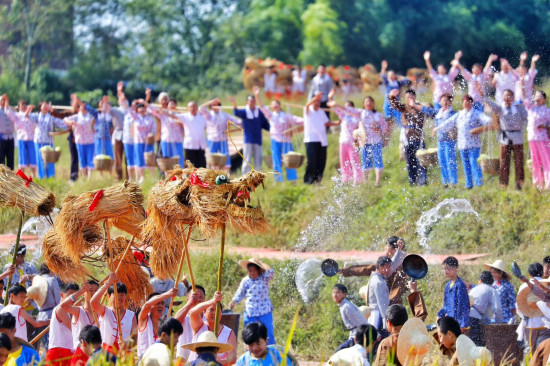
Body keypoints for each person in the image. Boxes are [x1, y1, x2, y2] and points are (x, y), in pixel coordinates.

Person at [432, 95, 491, 189]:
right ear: (462, 104)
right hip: (463, 144)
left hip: (474, 144)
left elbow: (486, 120)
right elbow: (449, 122)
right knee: (466, 165)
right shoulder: (459, 114)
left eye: (469, 102)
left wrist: (492, 122)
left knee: (474, 163)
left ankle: (478, 183)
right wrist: (438, 128)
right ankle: (469, 184)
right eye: (465, 102)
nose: (467, 104)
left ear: (471, 103)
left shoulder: (476, 113)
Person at [340, 237, 407, 306]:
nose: (385, 250)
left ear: (390, 247)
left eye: (386, 247)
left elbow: (367, 269)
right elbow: (366, 269)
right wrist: (346, 271)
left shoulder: (399, 267)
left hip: (389, 306)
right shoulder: (389, 263)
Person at [255, 87, 303, 183]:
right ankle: (278, 180)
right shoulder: (271, 115)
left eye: (276, 106)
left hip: (286, 140)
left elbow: (301, 121)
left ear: (280, 106)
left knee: (290, 161)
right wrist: (257, 95)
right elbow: (262, 107)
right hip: (275, 140)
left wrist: (292, 131)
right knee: (276, 161)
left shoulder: (286, 116)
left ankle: (293, 180)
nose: (274, 108)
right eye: (273, 106)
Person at [484, 89, 528, 190]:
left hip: (517, 137)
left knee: (518, 162)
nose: (506, 99)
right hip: (505, 138)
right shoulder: (500, 108)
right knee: (504, 162)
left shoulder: (519, 108)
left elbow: (527, 117)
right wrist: (483, 94)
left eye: (509, 96)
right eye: (505, 96)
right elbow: (491, 104)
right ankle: (504, 184)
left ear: (512, 98)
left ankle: (519, 184)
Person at [229, 259, 275, 345]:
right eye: (250, 271)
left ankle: (271, 354)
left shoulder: (264, 278)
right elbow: (240, 292)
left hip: (265, 312)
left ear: (258, 270)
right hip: (251, 313)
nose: (252, 273)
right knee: (250, 335)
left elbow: (271, 271)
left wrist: (261, 263)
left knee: (268, 335)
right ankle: (250, 355)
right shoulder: (245, 281)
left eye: (254, 271)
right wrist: (234, 301)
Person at [90, 273, 137, 355]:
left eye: (122, 295)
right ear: (109, 296)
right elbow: (93, 302)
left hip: (124, 354)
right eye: (115, 295)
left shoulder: (131, 315)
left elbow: (135, 338)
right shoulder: (105, 311)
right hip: (106, 353)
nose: (119, 298)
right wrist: (108, 283)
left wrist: (127, 344)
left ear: (125, 296)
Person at [388, 88, 427, 186]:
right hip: (407, 139)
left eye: (411, 96)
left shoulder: (420, 107)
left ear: (415, 97)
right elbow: (396, 105)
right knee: (410, 162)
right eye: (407, 97)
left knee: (421, 161)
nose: (409, 98)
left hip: (419, 139)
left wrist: (414, 105)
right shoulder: (404, 107)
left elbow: (428, 109)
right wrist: (391, 97)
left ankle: (423, 181)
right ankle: (413, 182)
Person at [419, 94, 458, 186]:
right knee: (442, 161)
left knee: (450, 161)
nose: (444, 102)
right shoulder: (438, 112)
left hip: (450, 140)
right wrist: (414, 105)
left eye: (447, 100)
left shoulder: (453, 113)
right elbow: (427, 110)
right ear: (440, 102)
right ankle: (445, 182)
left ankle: (453, 182)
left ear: (450, 102)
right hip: (440, 140)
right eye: (443, 100)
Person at [188, 292, 237, 365]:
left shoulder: (228, 332)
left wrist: (214, 363)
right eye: (211, 309)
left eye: (217, 310)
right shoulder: (199, 326)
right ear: (204, 313)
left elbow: (232, 358)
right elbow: (192, 313)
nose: (214, 313)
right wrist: (212, 301)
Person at [229, 95, 270, 173]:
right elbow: (236, 112)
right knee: (247, 158)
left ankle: (259, 175)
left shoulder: (259, 112)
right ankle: (245, 175)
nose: (252, 103)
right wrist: (234, 103)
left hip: (258, 139)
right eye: (251, 101)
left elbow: (265, 123)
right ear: (247, 102)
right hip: (248, 139)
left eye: (254, 101)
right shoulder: (245, 112)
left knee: (258, 159)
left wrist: (273, 129)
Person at [45, 283, 81, 366]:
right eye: (71, 294)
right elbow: (74, 328)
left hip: (67, 350)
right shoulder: (59, 309)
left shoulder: (68, 311)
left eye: (75, 296)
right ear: (62, 294)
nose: (73, 299)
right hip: (59, 351)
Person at [199, 98, 241, 171]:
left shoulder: (225, 115)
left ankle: (226, 175)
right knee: (212, 159)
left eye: (217, 104)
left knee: (225, 158)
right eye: (213, 105)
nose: (215, 106)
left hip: (223, 140)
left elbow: (238, 122)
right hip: (212, 140)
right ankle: (211, 174)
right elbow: (201, 108)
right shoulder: (209, 115)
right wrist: (211, 101)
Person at [1, 95, 36, 175]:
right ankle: (21, 176)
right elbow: (8, 111)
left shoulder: (31, 116)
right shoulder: (17, 115)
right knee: (22, 159)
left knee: (32, 158)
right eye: (22, 106)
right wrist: (6, 101)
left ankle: (34, 175)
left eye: (25, 105)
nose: (24, 107)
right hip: (22, 139)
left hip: (31, 139)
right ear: (19, 107)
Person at [137, 289, 178, 357]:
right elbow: (147, 305)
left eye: (162, 303)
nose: (160, 306)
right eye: (157, 303)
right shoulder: (143, 319)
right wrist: (167, 294)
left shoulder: (166, 324)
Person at [60, 280, 99, 350]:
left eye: (96, 290)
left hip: (97, 355)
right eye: (90, 290)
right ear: (84, 294)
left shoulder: (101, 312)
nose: (93, 293)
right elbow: (63, 306)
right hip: (81, 353)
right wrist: (81, 291)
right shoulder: (78, 311)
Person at [32, 102, 67, 178]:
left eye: (46, 106)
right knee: (40, 160)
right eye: (43, 106)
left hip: (49, 141)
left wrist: (69, 124)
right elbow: (27, 117)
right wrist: (28, 110)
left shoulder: (51, 118)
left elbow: (61, 123)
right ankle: (41, 177)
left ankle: (51, 177)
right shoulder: (37, 116)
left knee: (50, 160)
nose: (45, 107)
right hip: (39, 141)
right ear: (40, 107)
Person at [522, 90, 550, 190]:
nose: (537, 98)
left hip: (543, 139)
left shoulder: (547, 111)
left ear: (544, 100)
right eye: (536, 96)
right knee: (536, 162)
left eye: (539, 97)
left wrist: (545, 125)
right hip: (532, 138)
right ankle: (538, 183)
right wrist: (521, 80)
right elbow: (524, 97)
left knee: (547, 161)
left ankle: (548, 183)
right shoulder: (531, 109)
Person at [468, 271, 502, 346]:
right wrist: (499, 325)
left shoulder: (474, 289)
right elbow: (497, 309)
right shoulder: (492, 290)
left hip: (465, 317)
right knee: (477, 345)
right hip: (473, 319)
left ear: (480, 280)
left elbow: (481, 313)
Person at [303, 92, 330, 184]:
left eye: (318, 101)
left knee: (321, 162)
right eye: (315, 100)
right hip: (311, 140)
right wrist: (316, 97)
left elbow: (327, 123)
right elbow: (307, 105)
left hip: (322, 140)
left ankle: (317, 180)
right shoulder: (308, 110)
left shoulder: (321, 112)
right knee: (312, 161)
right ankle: (308, 180)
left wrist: (338, 122)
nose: (317, 102)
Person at [331, 284, 368, 351]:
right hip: (354, 335)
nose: (335, 295)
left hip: (358, 336)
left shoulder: (347, 306)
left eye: (338, 292)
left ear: (344, 294)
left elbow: (361, 322)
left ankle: (330, 362)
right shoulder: (342, 305)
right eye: (334, 292)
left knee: (339, 350)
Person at [438, 256, 470, 332]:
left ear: (455, 268)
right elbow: (446, 305)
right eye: (444, 269)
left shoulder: (460, 285)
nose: (445, 271)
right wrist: (440, 315)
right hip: (449, 321)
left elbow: (463, 306)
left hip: (457, 323)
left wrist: (462, 325)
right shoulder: (447, 286)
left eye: (448, 268)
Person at [33, 264, 62, 349]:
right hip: (52, 314)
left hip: (41, 316)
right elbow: (58, 299)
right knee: (52, 343)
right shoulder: (52, 280)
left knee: (45, 343)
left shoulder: (36, 281)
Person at [174, 101, 208, 168]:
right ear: (188, 108)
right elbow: (173, 116)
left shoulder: (202, 118)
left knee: (201, 165)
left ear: (197, 108)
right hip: (189, 145)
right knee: (189, 166)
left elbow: (208, 127)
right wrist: (164, 111)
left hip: (200, 145)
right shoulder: (185, 116)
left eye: (194, 106)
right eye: (190, 107)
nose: (192, 108)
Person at [175, 288, 205, 362]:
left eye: (200, 297)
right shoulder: (184, 316)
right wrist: (191, 303)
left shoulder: (207, 317)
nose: (197, 300)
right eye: (194, 297)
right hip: (183, 360)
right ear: (188, 299)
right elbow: (175, 322)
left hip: (201, 360)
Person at [366, 256, 392, 331]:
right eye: (388, 267)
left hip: (374, 315)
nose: (390, 270)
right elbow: (383, 305)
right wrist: (386, 322)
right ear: (380, 267)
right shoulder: (379, 282)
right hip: (379, 316)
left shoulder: (374, 278)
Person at [380, 60, 409, 127]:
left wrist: (399, 77)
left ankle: (399, 130)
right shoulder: (387, 82)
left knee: (399, 119)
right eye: (389, 75)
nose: (391, 76)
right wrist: (384, 68)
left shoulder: (398, 83)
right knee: (389, 120)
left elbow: (407, 80)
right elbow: (382, 75)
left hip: (396, 104)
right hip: (388, 104)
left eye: (392, 74)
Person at [0, 95, 15, 170]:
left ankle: (11, 178)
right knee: (1, 159)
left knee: (10, 159)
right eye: (1, 100)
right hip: (1, 137)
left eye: (4, 100)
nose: (3, 102)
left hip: (10, 137)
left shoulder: (11, 111)